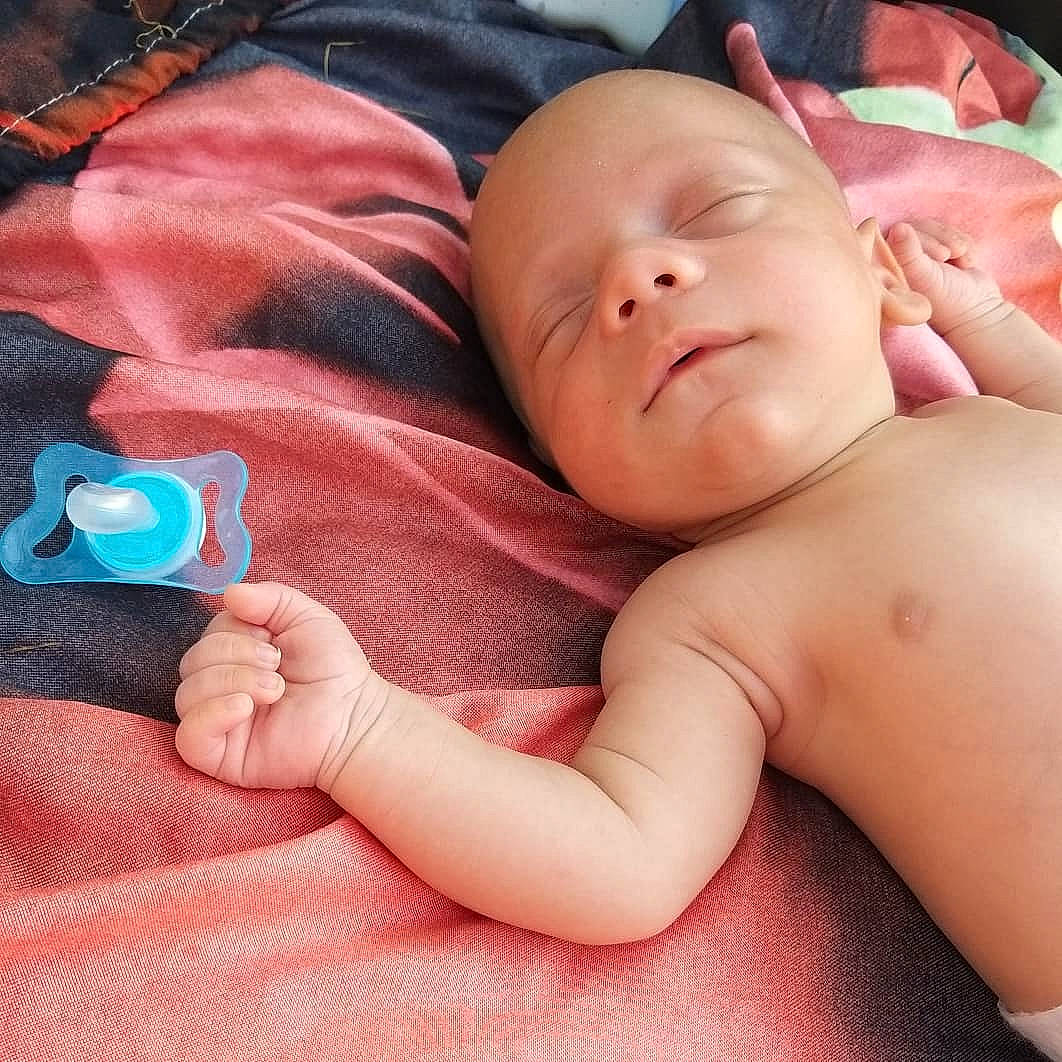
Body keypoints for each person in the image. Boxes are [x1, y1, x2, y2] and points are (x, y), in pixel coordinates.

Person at [173, 70, 1062, 1057]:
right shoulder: (710, 617)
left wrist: (981, 317)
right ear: (562, 461)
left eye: (714, 210)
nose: (638, 277)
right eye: (565, 317)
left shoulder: (1001, 417)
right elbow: (621, 856)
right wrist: (361, 732)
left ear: (882, 276)